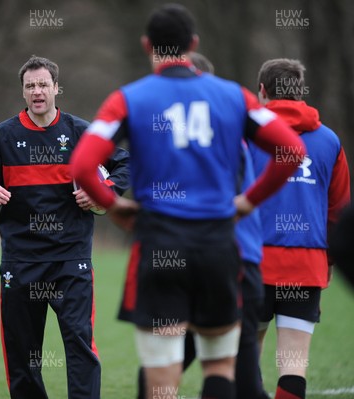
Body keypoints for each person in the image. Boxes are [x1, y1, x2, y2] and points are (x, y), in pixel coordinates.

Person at [71, 4, 305, 399]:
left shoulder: (129, 98)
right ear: (193, 44)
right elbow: (291, 149)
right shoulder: (235, 96)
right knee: (218, 366)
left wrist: (113, 206)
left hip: (160, 245)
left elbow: (81, 165)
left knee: (162, 376)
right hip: (217, 246)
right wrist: (248, 202)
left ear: (147, 46)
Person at [0, 55, 130, 399]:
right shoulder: (3, 136)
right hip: (21, 261)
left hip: (70, 260)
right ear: (23, 92)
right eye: (30, 86)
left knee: (79, 347)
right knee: (22, 355)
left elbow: (123, 165)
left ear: (57, 88)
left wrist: (103, 193)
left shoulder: (82, 133)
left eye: (43, 84)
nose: (37, 91)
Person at [135, 52, 270, 399]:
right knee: (231, 373)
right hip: (227, 261)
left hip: (225, 257)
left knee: (171, 370)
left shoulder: (215, 140)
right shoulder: (225, 132)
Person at [250, 58, 350, 399]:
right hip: (307, 264)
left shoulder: (248, 136)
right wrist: (331, 259)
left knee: (246, 358)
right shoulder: (330, 141)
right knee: (294, 362)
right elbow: (339, 210)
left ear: (262, 91)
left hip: (253, 259)